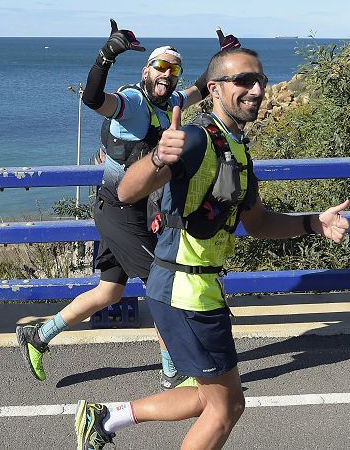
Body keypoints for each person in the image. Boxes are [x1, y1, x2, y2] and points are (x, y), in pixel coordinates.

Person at [75, 45, 350, 450]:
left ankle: (105, 418)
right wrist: (156, 158)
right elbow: (128, 190)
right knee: (225, 410)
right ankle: (105, 418)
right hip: (185, 291)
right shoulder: (195, 138)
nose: (257, 89)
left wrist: (313, 223)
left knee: (214, 398)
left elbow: (256, 223)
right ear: (216, 89)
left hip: (199, 288)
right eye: (243, 80)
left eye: (261, 80)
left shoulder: (237, 149)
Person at [16, 20, 214, 390]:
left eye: (174, 70)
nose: (167, 75)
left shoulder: (171, 101)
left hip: (131, 209)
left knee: (109, 291)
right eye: (161, 67)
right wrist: (107, 55)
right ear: (146, 70)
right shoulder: (135, 102)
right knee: (161, 283)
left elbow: (201, 89)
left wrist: (223, 58)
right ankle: (173, 371)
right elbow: (92, 99)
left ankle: (38, 337)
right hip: (120, 212)